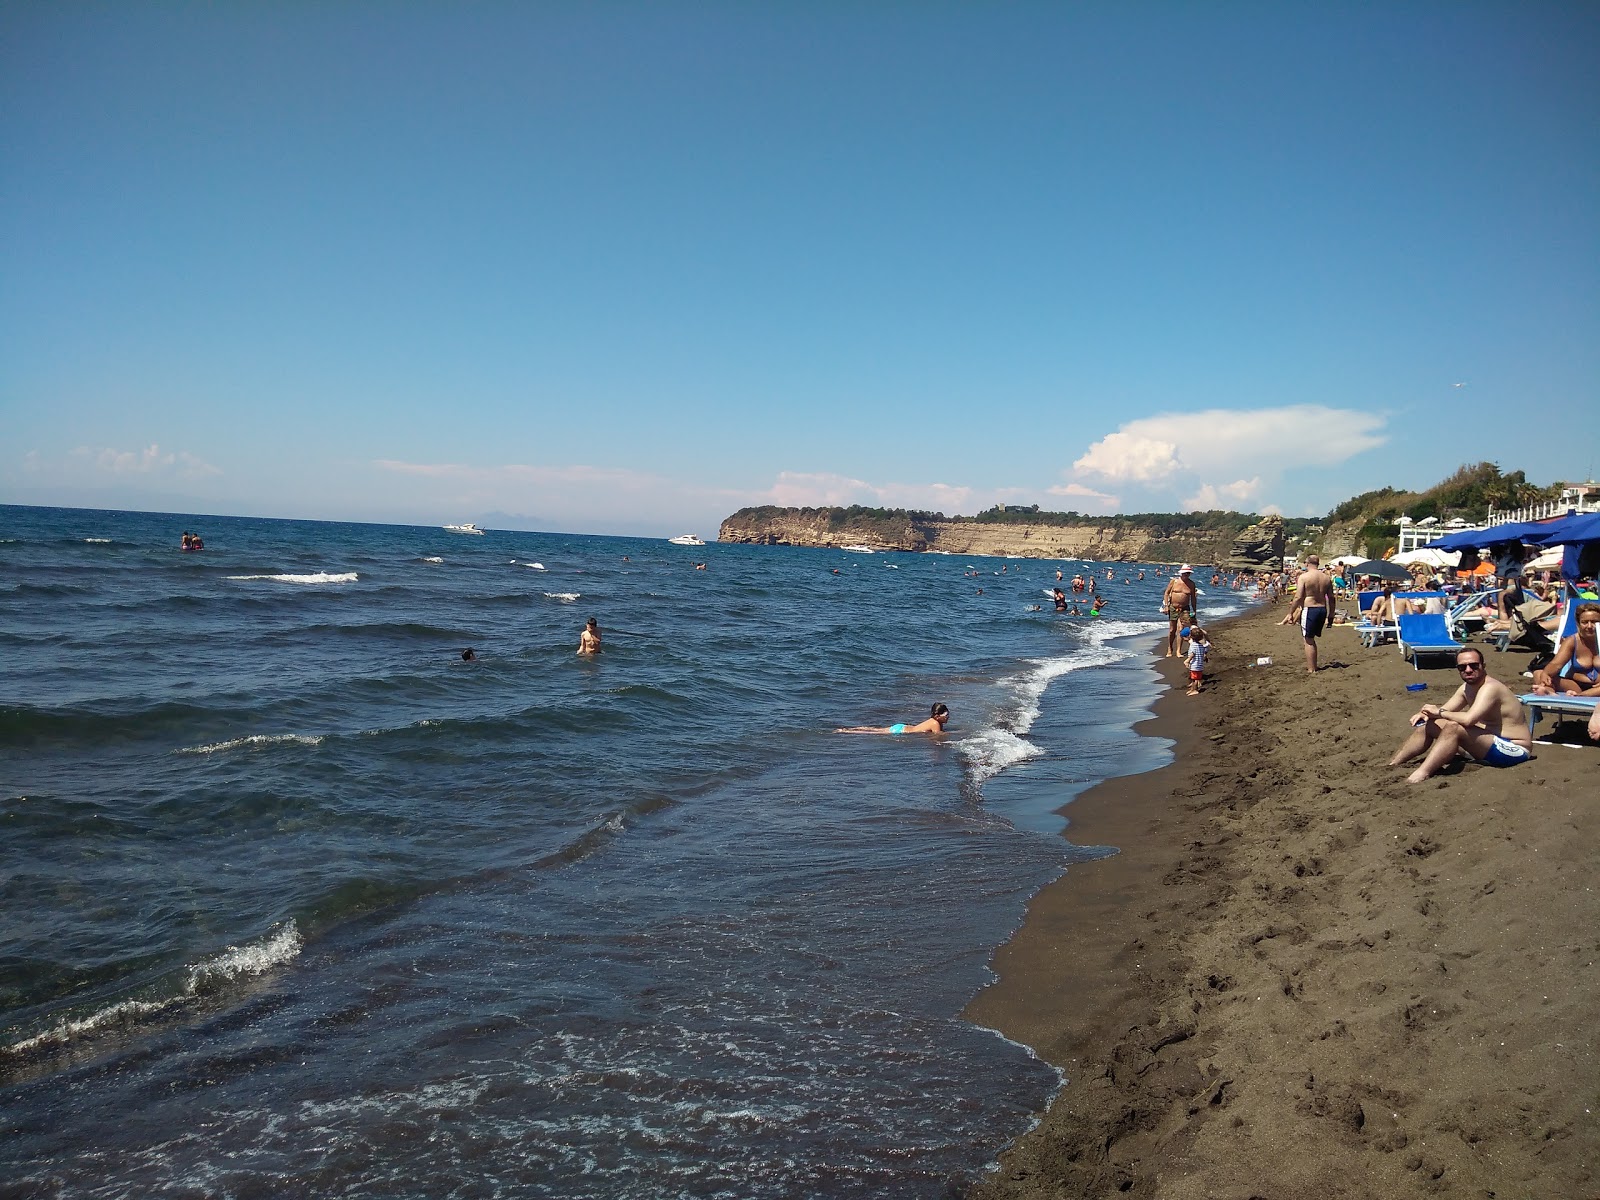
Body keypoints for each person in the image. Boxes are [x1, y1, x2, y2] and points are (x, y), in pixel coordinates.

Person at [1389, 646, 1531, 783]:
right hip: (1489, 743)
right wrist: (1426, 714)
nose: (1468, 670)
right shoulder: (1466, 688)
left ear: (1483, 665)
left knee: (1454, 727)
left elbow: (1468, 719)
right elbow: (1444, 711)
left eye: (1473, 666)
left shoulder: (1491, 688)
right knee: (1431, 725)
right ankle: (1393, 764)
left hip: (1514, 750)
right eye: (1462, 667)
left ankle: (1422, 773)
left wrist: (1438, 712)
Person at [1279, 554, 1335, 673]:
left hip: (1310, 609)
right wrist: (1331, 615)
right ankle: (1313, 666)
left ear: (1307, 563)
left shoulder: (1304, 577)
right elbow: (1331, 598)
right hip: (1322, 609)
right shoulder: (1326, 578)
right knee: (1312, 639)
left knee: (1308, 640)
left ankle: (1311, 669)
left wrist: (1291, 613)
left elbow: (1298, 596)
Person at [1530, 603, 1600, 696]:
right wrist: (1546, 674)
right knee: (1539, 673)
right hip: (1575, 685)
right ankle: (1549, 691)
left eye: (1594, 622)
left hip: (1598, 689)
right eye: (1585, 622)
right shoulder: (1572, 641)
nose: (1590, 626)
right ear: (1578, 624)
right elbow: (1556, 664)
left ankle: (1579, 696)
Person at [837, 702, 950, 736]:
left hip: (901, 726)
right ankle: (847, 731)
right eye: (945, 715)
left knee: (875, 729)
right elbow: (939, 736)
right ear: (937, 716)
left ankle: (848, 729)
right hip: (901, 731)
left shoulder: (933, 721)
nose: (948, 717)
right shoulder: (935, 724)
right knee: (871, 733)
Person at [1162, 565, 1199, 657]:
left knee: (1180, 629)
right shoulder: (1174, 582)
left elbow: (1193, 598)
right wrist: (1166, 606)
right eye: (1185, 573)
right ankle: (1170, 648)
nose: (1187, 575)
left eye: (1189, 573)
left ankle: (1178, 650)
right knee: (1172, 630)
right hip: (1173, 607)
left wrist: (1194, 610)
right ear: (1181, 573)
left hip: (1185, 608)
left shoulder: (1191, 584)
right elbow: (1166, 593)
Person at [1184, 626, 1210, 696]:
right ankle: (1192, 689)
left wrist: (1187, 660)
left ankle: (1195, 690)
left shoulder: (1193, 645)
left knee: (1194, 679)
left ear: (1191, 636)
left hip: (1195, 664)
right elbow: (1203, 653)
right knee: (1194, 678)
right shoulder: (1201, 645)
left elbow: (1193, 654)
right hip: (1199, 664)